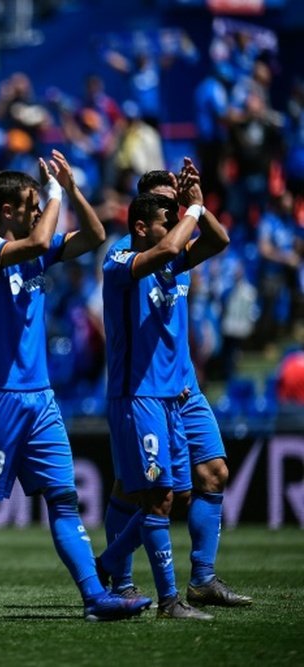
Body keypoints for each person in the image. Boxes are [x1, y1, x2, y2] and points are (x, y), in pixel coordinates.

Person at [0, 151, 151, 625]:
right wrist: (56, 193)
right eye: (30, 203)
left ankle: (93, 597)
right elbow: (45, 235)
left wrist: (70, 187)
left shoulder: (36, 248)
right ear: (8, 210)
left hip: (40, 398)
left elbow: (95, 236)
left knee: (63, 497)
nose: (37, 209)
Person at [99, 164, 250, 610]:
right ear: (144, 207)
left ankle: (201, 578)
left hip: (183, 387)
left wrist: (198, 206)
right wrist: (194, 210)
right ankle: (120, 579)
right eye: (167, 204)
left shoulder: (177, 250)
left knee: (207, 476)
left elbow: (219, 241)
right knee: (138, 487)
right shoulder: (127, 255)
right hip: (141, 390)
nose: (174, 209)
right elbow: (166, 244)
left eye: (176, 204)